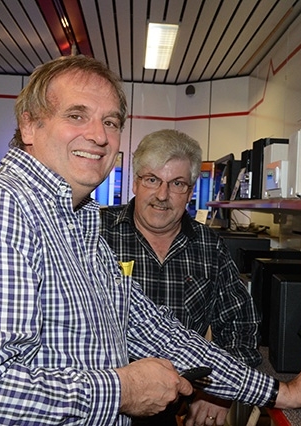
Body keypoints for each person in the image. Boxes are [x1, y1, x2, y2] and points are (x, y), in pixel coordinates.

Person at [0, 54, 301, 426]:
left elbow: (158, 332)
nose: (99, 136)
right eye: (77, 115)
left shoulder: (79, 224)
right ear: (30, 125)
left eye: (110, 122)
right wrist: (121, 390)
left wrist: (278, 393)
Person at [100, 129, 262, 424]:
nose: (162, 195)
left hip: (174, 411)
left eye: (177, 184)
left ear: (190, 191)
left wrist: (218, 392)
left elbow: (240, 326)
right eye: (152, 180)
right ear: (135, 182)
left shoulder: (209, 246)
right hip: (106, 406)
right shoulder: (97, 233)